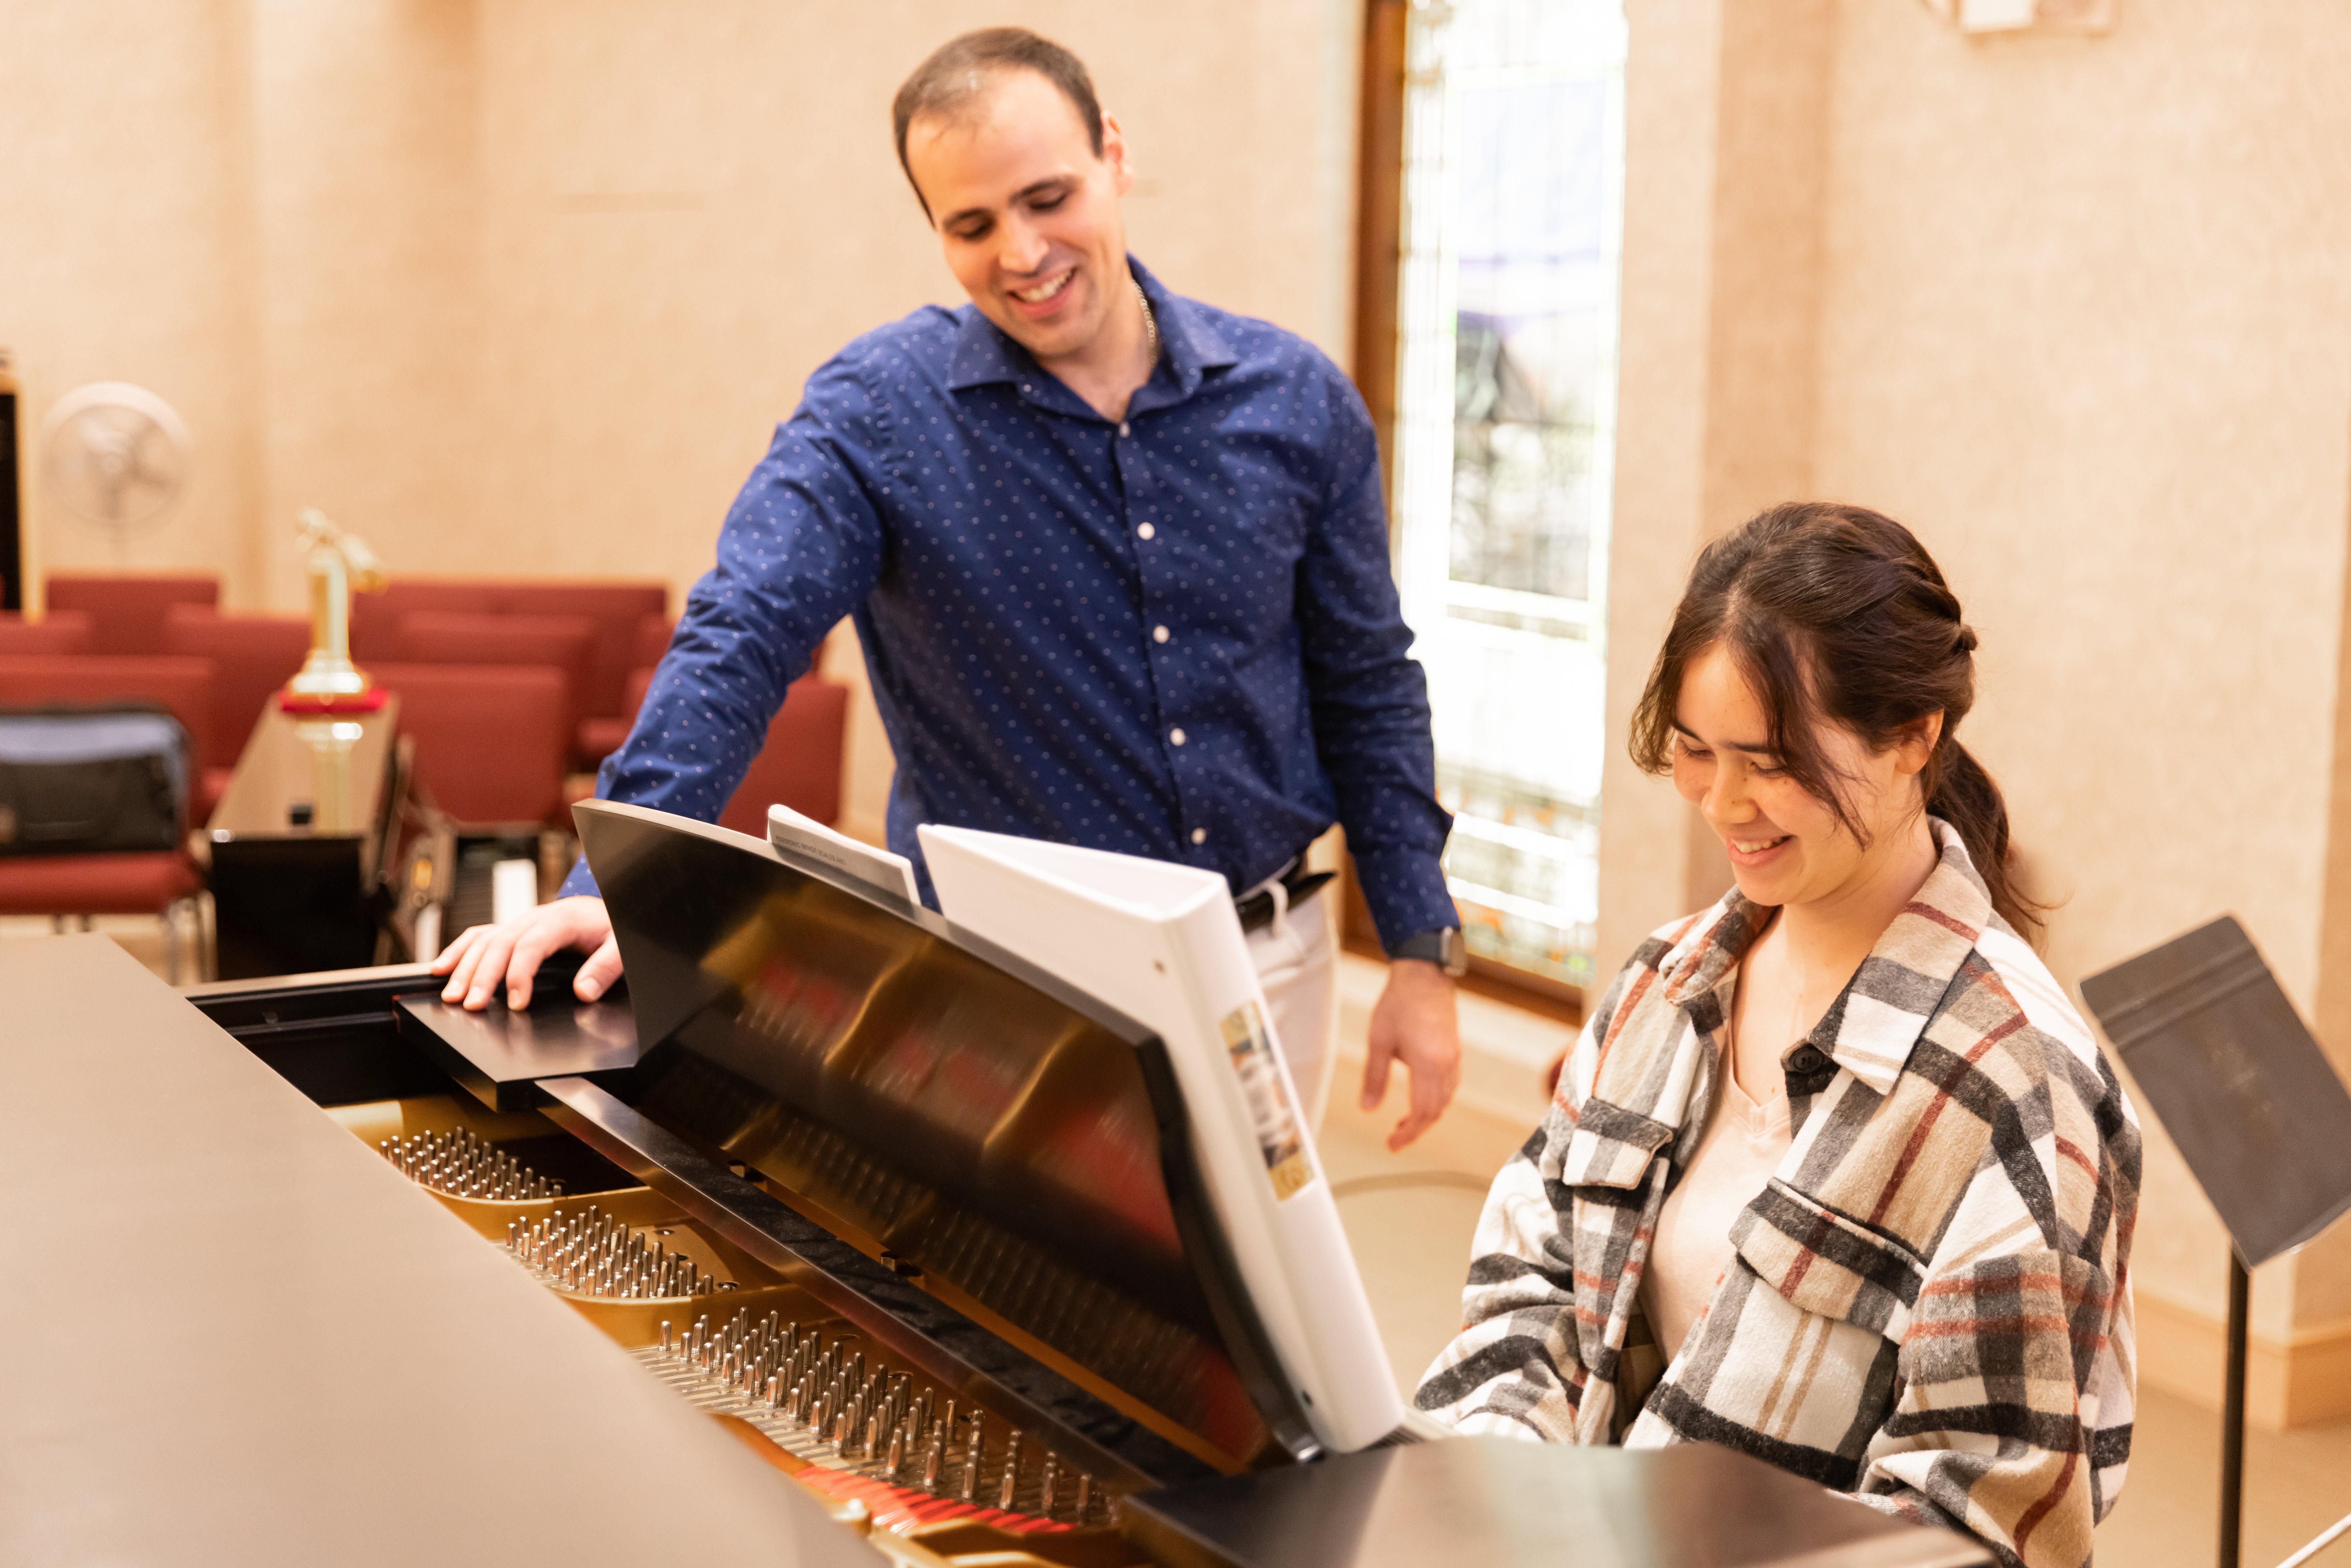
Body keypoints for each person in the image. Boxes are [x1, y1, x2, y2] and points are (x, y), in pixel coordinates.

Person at [429, 27, 1465, 1147]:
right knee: (1018, 1304)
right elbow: (742, 633)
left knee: (1251, 1309)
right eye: (971, 226)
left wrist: (1418, 946)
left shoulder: (1296, 400)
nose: (1022, 252)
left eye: (1048, 197)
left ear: (1114, 153)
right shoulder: (881, 413)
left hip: (1272, 964)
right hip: (1016, 977)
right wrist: (608, 878)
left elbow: (1368, 680)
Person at [1415, 504, 2139, 1568]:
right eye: (1698, 752)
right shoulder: (1666, 983)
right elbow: (1531, 1288)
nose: (1725, 802)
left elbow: (1975, 1522)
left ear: (1914, 738)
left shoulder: (2017, 1086)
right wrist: (1504, 1503)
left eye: (1772, 760)